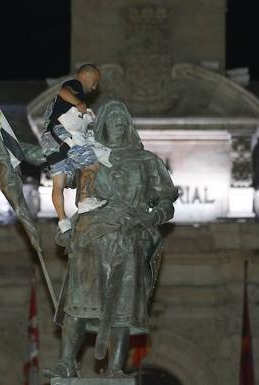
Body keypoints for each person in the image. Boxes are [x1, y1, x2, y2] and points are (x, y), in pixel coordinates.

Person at [45, 100, 178, 378]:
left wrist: (149, 219)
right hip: (90, 237)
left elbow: (166, 202)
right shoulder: (87, 156)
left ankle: (116, 368)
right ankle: (67, 361)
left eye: (122, 116)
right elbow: (58, 175)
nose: (118, 120)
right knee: (78, 302)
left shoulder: (147, 161)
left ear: (128, 124)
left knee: (122, 306)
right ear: (103, 123)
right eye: (112, 116)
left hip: (128, 237)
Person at [40, 64, 106, 233]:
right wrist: (79, 102)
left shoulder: (59, 106)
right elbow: (63, 91)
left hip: (50, 142)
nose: (95, 87)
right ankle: (85, 200)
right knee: (92, 164)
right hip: (64, 136)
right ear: (86, 77)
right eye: (95, 82)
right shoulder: (76, 85)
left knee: (58, 183)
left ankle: (62, 220)